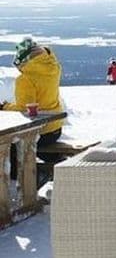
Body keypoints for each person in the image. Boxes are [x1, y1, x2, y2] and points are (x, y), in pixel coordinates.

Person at [0, 37, 65, 180]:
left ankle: (27, 180)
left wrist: (5, 107)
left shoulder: (26, 79)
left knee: (9, 148)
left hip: (40, 132)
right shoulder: (54, 68)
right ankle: (53, 166)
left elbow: (25, 110)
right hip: (56, 129)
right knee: (38, 149)